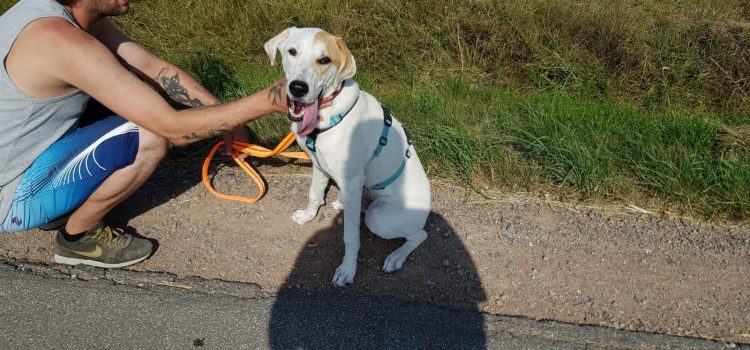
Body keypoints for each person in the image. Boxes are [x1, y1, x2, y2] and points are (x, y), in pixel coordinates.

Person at [0, 0, 289, 268]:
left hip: (18, 156)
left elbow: (153, 69)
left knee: (136, 94)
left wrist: (227, 119)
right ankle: (78, 236)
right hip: (10, 198)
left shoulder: (55, 11)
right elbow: (172, 128)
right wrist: (268, 101)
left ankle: (59, 200)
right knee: (150, 134)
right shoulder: (64, 43)